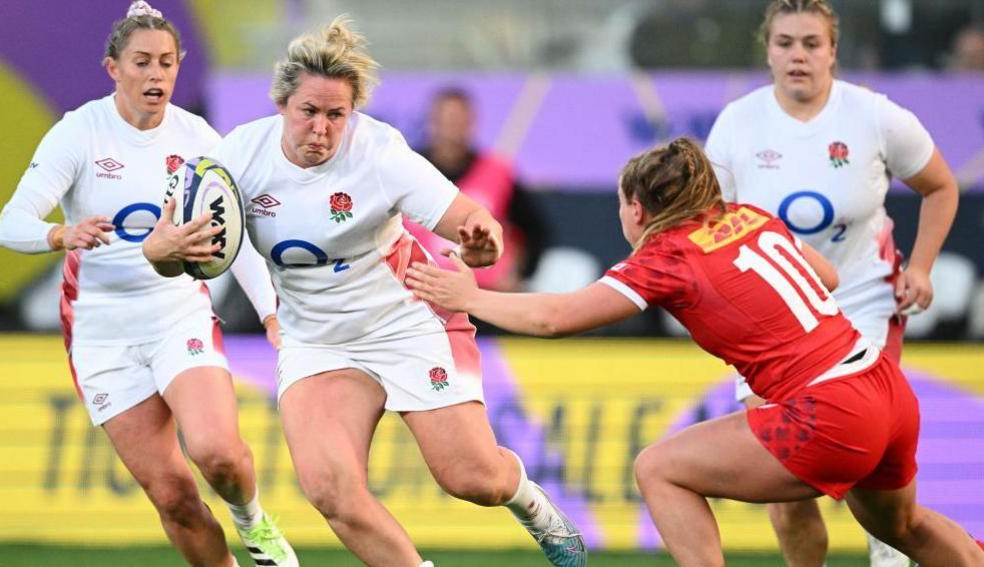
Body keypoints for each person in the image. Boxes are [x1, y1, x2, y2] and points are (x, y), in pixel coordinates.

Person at [406, 136, 984, 567]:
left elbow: (555, 318)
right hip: (884, 388)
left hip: (829, 411)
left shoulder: (668, 257)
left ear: (637, 209)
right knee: (904, 527)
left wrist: (468, 296)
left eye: (621, 205)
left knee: (658, 468)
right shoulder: (750, 218)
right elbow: (827, 277)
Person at [142, 15, 587, 567]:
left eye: (336, 114)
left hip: (406, 322)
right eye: (309, 111)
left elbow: (470, 220)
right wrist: (160, 252)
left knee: (473, 479)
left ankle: (531, 502)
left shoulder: (380, 154)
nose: (322, 129)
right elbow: (180, 260)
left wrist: (481, 243)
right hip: (317, 340)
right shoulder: (237, 160)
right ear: (282, 105)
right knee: (330, 490)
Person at [0, 3, 297, 566]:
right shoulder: (79, 133)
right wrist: (61, 233)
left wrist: (273, 314)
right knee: (173, 496)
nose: (155, 75)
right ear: (113, 68)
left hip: (176, 313)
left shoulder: (200, 138)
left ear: (179, 67)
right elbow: (9, 225)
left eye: (165, 62)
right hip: (101, 331)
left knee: (219, 456)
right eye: (141, 63)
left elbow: (238, 237)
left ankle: (255, 526)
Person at [704, 1, 960, 565]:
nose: (798, 55)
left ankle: (890, 556)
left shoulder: (875, 116)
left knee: (870, 467)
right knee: (788, 488)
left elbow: (941, 187)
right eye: (786, 43)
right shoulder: (736, 125)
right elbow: (713, 227)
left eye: (812, 44)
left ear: (833, 52)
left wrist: (919, 268)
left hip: (863, 301)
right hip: (777, 317)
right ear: (767, 51)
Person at [409, 87, 547, 293]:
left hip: (483, 293)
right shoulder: (409, 169)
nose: (452, 129)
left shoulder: (497, 173)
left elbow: (534, 229)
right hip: (419, 291)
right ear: (432, 122)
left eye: (458, 120)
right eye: (446, 120)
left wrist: (519, 273)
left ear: (471, 123)